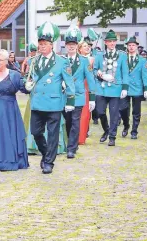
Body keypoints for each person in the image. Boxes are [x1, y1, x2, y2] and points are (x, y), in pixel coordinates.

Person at [25, 21, 75, 174]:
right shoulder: (33, 61)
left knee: (53, 134)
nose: (42, 47)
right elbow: (31, 78)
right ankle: (46, 152)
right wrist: (26, 84)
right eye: (40, 44)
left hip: (54, 102)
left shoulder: (61, 62)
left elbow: (69, 81)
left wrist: (70, 100)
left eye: (45, 44)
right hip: (37, 102)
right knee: (35, 132)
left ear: (51, 45)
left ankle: (49, 162)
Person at [61, 26, 96, 159]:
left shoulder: (84, 61)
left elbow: (91, 79)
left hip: (79, 95)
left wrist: (92, 98)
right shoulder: (61, 60)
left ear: (77, 46)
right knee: (67, 121)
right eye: (69, 44)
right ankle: (70, 143)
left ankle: (71, 148)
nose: (71, 47)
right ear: (65, 46)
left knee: (76, 121)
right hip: (64, 95)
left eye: (73, 44)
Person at [93, 29, 129, 146]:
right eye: (110, 41)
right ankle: (106, 130)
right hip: (101, 88)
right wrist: (99, 74)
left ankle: (112, 136)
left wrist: (124, 88)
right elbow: (93, 70)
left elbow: (125, 72)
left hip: (115, 88)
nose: (112, 43)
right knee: (100, 112)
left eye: (114, 41)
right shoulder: (99, 55)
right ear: (106, 42)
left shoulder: (122, 56)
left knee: (114, 114)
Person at [119, 37, 147, 139]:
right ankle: (126, 126)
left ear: (137, 47)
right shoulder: (122, 58)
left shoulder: (142, 60)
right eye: (129, 45)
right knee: (123, 109)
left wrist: (146, 88)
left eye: (133, 45)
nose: (131, 47)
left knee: (136, 111)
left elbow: (145, 75)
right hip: (125, 87)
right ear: (127, 47)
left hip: (137, 88)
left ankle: (134, 131)